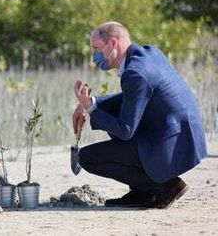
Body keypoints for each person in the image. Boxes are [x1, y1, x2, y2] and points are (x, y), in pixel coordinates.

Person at [72, 21, 207, 209]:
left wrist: (92, 109)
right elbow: (135, 97)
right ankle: (141, 192)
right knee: (113, 111)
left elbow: (125, 130)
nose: (94, 56)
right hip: (182, 134)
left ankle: (165, 186)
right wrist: (91, 103)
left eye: (96, 49)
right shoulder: (148, 53)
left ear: (113, 43)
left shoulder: (135, 73)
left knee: (86, 157)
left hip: (170, 142)